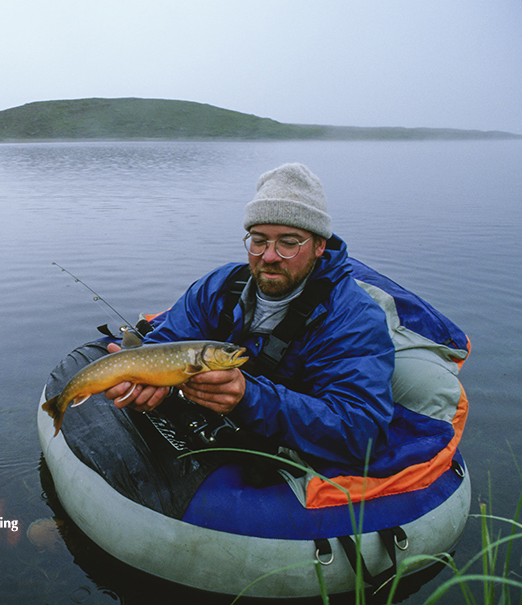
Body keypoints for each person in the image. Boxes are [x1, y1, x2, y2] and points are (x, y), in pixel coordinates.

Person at [104, 163, 395, 472]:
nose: (269, 256)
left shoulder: (355, 320)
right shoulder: (219, 286)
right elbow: (167, 341)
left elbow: (361, 433)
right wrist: (145, 381)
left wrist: (249, 397)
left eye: (288, 242)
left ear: (319, 245)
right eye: (259, 240)